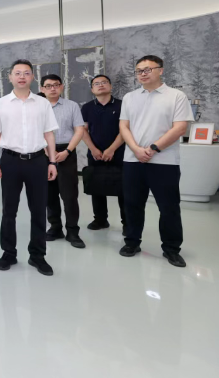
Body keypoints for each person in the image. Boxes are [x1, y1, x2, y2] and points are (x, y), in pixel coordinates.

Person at [119, 55, 194, 267]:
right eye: (139, 71)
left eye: (147, 69)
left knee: (169, 207)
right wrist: (136, 149)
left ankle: (171, 249)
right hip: (133, 160)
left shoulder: (176, 96)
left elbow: (180, 128)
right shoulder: (130, 97)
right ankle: (132, 242)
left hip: (164, 161)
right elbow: (124, 126)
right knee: (132, 204)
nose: (142, 74)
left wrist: (153, 149)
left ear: (160, 70)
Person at [0, 59, 59, 276]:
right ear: (10, 77)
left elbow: (49, 134)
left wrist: (52, 162)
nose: (22, 77)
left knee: (38, 210)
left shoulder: (43, 104)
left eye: (26, 73)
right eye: (17, 73)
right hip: (10, 161)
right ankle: (8, 253)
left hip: (38, 161)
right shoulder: (0, 104)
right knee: (9, 210)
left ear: (32, 77)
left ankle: (37, 255)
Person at [41, 74, 86, 248]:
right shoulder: (38, 107)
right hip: (44, 152)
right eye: (48, 86)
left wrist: (68, 151)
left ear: (61, 87)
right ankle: (55, 227)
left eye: (56, 85)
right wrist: (47, 150)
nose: (52, 88)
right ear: (42, 89)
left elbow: (79, 130)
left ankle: (73, 231)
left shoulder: (72, 106)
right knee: (49, 194)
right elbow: (34, 130)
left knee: (69, 195)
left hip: (66, 152)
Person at [80, 74, 126, 231]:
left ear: (110, 86)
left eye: (104, 82)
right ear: (92, 89)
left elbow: (125, 130)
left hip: (119, 153)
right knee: (96, 187)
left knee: (123, 189)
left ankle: (127, 223)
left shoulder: (122, 105)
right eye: (96, 83)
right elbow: (83, 130)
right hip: (95, 154)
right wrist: (93, 149)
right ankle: (100, 220)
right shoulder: (87, 107)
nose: (100, 85)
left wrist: (112, 149)